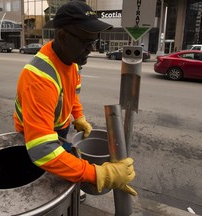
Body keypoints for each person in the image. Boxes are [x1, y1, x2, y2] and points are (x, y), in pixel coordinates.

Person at [14, 0, 137, 199]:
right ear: (62, 36)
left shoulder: (71, 61)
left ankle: (70, 186)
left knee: (63, 160)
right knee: (46, 179)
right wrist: (98, 174)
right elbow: (42, 150)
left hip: (59, 127)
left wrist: (78, 117)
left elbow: (72, 94)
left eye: (94, 42)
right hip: (33, 134)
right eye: (86, 42)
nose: (92, 48)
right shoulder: (38, 79)